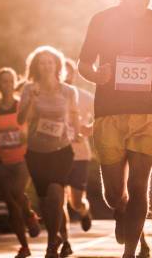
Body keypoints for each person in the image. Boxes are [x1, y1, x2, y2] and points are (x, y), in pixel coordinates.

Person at [78, 0, 152, 258]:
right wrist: (98, 75)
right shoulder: (101, 20)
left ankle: (131, 251)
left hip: (149, 113)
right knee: (113, 194)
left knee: (139, 184)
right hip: (109, 113)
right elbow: (83, 64)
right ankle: (121, 213)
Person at [18, 46, 82, 258]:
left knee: (56, 192)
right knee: (45, 200)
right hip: (36, 151)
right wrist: (31, 100)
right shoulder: (29, 89)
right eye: (42, 62)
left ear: (57, 65)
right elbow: (20, 120)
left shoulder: (68, 91)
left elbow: (74, 116)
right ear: (36, 66)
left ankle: (51, 245)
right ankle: (60, 236)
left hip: (61, 149)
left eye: (50, 62)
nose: (46, 66)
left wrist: (78, 133)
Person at [0, 67, 42, 258]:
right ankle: (24, 247)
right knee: (11, 206)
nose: (7, 85)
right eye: (3, 81)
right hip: (2, 161)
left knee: (17, 193)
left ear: (14, 83)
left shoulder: (21, 107)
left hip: (23, 159)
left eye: (10, 81)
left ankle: (29, 215)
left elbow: (33, 129)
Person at [58, 59, 95, 257]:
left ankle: (83, 210)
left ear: (71, 75)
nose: (64, 74)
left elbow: (101, 115)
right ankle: (65, 241)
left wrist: (89, 128)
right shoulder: (51, 96)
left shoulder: (85, 97)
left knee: (75, 202)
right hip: (56, 153)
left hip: (80, 154)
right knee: (58, 199)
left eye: (67, 71)